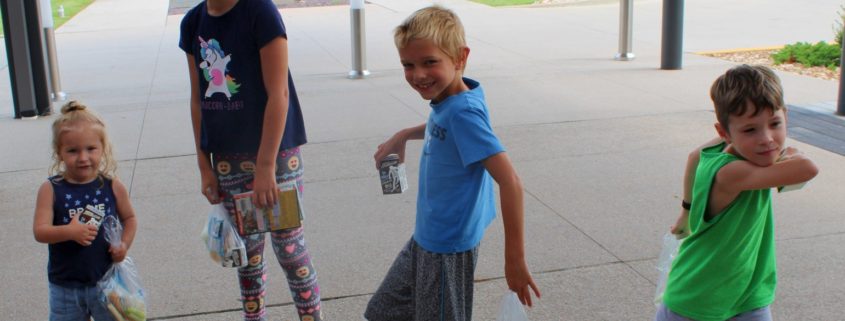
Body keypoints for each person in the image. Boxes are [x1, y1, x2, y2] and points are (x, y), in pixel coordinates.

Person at [365, 6, 541, 321]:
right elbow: (445, 126)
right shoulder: (454, 99)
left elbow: (510, 181)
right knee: (384, 311)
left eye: (430, 62)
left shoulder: (464, 113)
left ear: (460, 57)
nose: (418, 74)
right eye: (408, 64)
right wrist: (404, 135)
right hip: (427, 236)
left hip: (447, 246)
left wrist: (514, 258)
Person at [179, 1, 321, 320]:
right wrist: (204, 166)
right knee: (247, 254)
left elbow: (278, 94)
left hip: (276, 157)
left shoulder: (260, 12)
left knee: (290, 250)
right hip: (227, 159)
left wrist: (266, 166)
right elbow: (197, 100)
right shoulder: (192, 23)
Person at [656, 65, 819, 321]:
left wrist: (686, 211)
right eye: (750, 130)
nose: (767, 139)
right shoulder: (731, 173)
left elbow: (694, 156)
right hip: (697, 301)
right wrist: (790, 153)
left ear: (785, 116)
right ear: (724, 132)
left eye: (775, 123)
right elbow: (808, 169)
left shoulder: (716, 150)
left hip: (748, 296)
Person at [33, 101, 139, 321]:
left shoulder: (112, 185)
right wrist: (69, 232)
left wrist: (124, 245)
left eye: (91, 149)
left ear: (103, 148)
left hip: (107, 282)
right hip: (65, 288)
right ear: (59, 152)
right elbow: (40, 231)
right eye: (72, 150)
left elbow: (130, 218)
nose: (83, 157)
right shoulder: (51, 188)